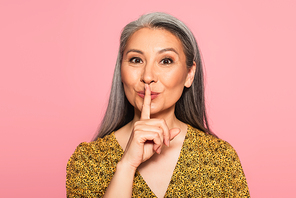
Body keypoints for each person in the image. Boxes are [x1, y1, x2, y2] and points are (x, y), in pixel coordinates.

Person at [66, 12, 250, 197]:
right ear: (120, 70)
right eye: (136, 60)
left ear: (189, 74)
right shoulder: (88, 160)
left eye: (166, 61)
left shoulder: (220, 158)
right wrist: (127, 165)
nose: (148, 76)